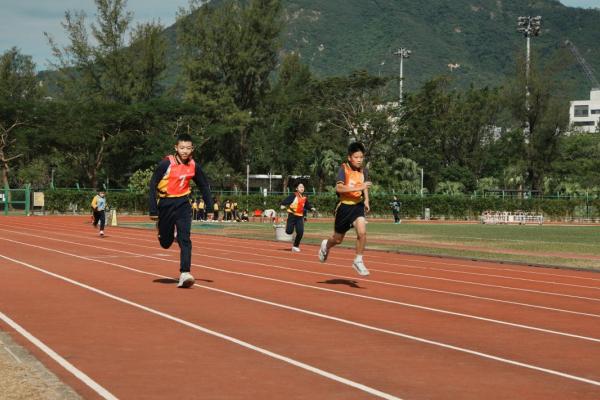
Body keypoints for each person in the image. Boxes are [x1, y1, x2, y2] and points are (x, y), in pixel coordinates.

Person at [149, 133, 212, 288]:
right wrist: (153, 209)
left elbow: (204, 185)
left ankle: (185, 273)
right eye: (182, 148)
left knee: (185, 239)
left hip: (183, 203)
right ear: (176, 148)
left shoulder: (194, 165)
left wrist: (210, 207)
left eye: (188, 148)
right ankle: (162, 230)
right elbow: (152, 184)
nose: (185, 151)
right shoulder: (166, 163)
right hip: (166, 203)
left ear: (192, 149)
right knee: (166, 243)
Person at [318, 142, 371, 276]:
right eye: (356, 157)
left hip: (357, 206)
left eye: (361, 157)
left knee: (362, 233)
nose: (359, 160)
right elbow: (339, 188)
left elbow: (364, 185)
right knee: (337, 239)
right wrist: (358, 187)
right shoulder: (343, 169)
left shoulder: (363, 170)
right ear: (349, 157)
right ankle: (326, 245)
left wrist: (366, 200)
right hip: (344, 207)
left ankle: (358, 260)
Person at [280, 182, 314, 252]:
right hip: (292, 216)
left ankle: (295, 246)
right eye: (300, 187)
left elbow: (307, 205)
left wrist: (311, 208)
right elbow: (285, 201)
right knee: (289, 232)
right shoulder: (293, 195)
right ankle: (287, 227)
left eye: (303, 187)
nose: (302, 188)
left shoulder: (304, 197)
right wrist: (283, 205)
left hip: (300, 216)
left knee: (300, 232)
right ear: (296, 188)